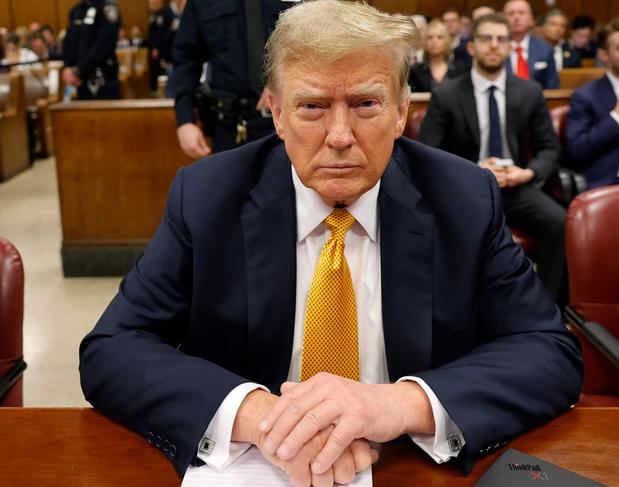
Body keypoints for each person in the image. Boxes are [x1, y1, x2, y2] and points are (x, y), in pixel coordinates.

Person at [79, 2, 582, 487]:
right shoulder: (207, 197)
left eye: (366, 104)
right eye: (312, 106)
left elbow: (548, 351)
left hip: (406, 468)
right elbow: (112, 349)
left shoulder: (464, 198)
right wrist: (261, 416)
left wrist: (396, 404)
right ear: (276, 114)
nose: (339, 135)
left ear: (402, 111)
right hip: (258, 471)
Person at [418, 13, 567, 304]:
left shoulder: (529, 91)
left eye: (502, 39)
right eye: (486, 38)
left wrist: (528, 173)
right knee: (443, 228)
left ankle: (548, 308)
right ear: (471, 47)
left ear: (511, 47)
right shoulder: (447, 94)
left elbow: (549, 147)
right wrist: (473, 171)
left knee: (559, 222)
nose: (494, 46)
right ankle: (460, 310)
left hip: (515, 186)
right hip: (466, 189)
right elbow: (427, 151)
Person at [173, 0, 297, 159]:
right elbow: (186, 59)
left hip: (287, 121)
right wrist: (185, 121)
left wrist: (283, 81)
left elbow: (316, 43)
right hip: (228, 127)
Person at [564, 18, 619, 188]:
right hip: (615, 184)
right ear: (604, 55)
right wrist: (617, 118)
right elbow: (575, 151)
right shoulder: (586, 96)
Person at [61, 0, 121, 100]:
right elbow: (69, 43)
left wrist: (78, 69)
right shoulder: (76, 10)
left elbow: (103, 46)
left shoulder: (107, 8)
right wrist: (68, 68)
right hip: (78, 80)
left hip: (102, 78)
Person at [503, 0, 559, 88]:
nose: (516, 17)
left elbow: (552, 86)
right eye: (511, 13)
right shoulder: (496, 47)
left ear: (531, 18)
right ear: (503, 19)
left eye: (521, 13)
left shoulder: (545, 48)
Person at [408, 19, 460, 92]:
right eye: (430, 37)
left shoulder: (459, 69)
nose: (434, 41)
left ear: (447, 41)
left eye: (440, 37)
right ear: (425, 42)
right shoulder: (415, 72)